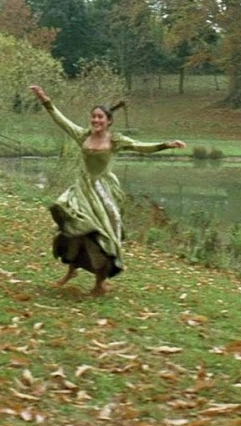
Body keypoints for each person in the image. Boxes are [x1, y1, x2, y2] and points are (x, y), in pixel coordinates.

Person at [29, 84, 186, 296]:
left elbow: (141, 146)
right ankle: (71, 270)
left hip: (103, 191)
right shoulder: (82, 135)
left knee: (100, 235)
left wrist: (167, 144)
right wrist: (45, 100)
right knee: (73, 224)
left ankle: (100, 283)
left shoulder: (116, 141)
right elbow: (61, 120)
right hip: (82, 189)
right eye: (93, 117)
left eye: (100, 117)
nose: (95, 120)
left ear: (108, 121)